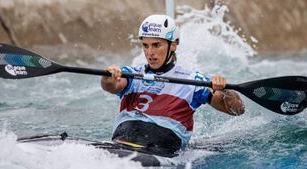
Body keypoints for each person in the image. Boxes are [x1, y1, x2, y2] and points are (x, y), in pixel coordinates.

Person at [101, 14, 244, 156]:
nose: (150, 53)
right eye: (146, 45)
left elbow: (237, 110)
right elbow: (111, 85)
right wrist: (109, 75)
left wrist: (225, 91)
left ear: (173, 45)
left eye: (156, 45)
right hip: (122, 142)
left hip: (160, 150)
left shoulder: (193, 81)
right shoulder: (131, 74)